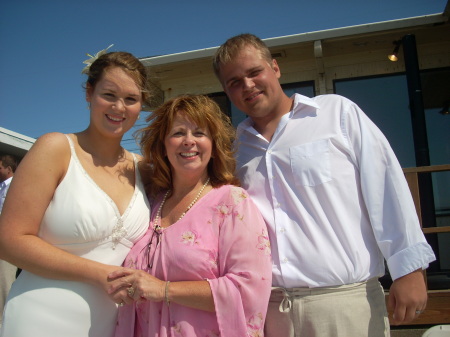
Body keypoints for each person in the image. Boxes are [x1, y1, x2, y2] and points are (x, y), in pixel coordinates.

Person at [212, 33, 436, 337]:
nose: (247, 85)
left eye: (254, 72)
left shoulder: (337, 114)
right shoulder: (234, 151)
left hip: (344, 305)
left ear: (275, 68)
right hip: (269, 311)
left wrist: (409, 267)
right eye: (234, 82)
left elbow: (385, 185)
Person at [0, 49, 152, 337]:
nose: (119, 107)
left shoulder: (144, 168)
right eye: (109, 94)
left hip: (113, 325)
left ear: (141, 105)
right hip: (41, 317)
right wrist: (99, 275)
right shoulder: (55, 148)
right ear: (89, 93)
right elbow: (9, 241)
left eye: (131, 99)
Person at [108, 94, 272, 337]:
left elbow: (249, 287)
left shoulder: (232, 203)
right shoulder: (150, 202)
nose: (188, 141)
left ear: (214, 146)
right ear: (163, 146)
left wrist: (164, 290)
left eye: (199, 133)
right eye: (177, 133)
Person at [0, 154, 19, 328]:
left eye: (0, 167)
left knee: (5, 280)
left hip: (8, 241)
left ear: (8, 168)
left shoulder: (16, 186)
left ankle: (6, 319)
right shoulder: (1, 188)